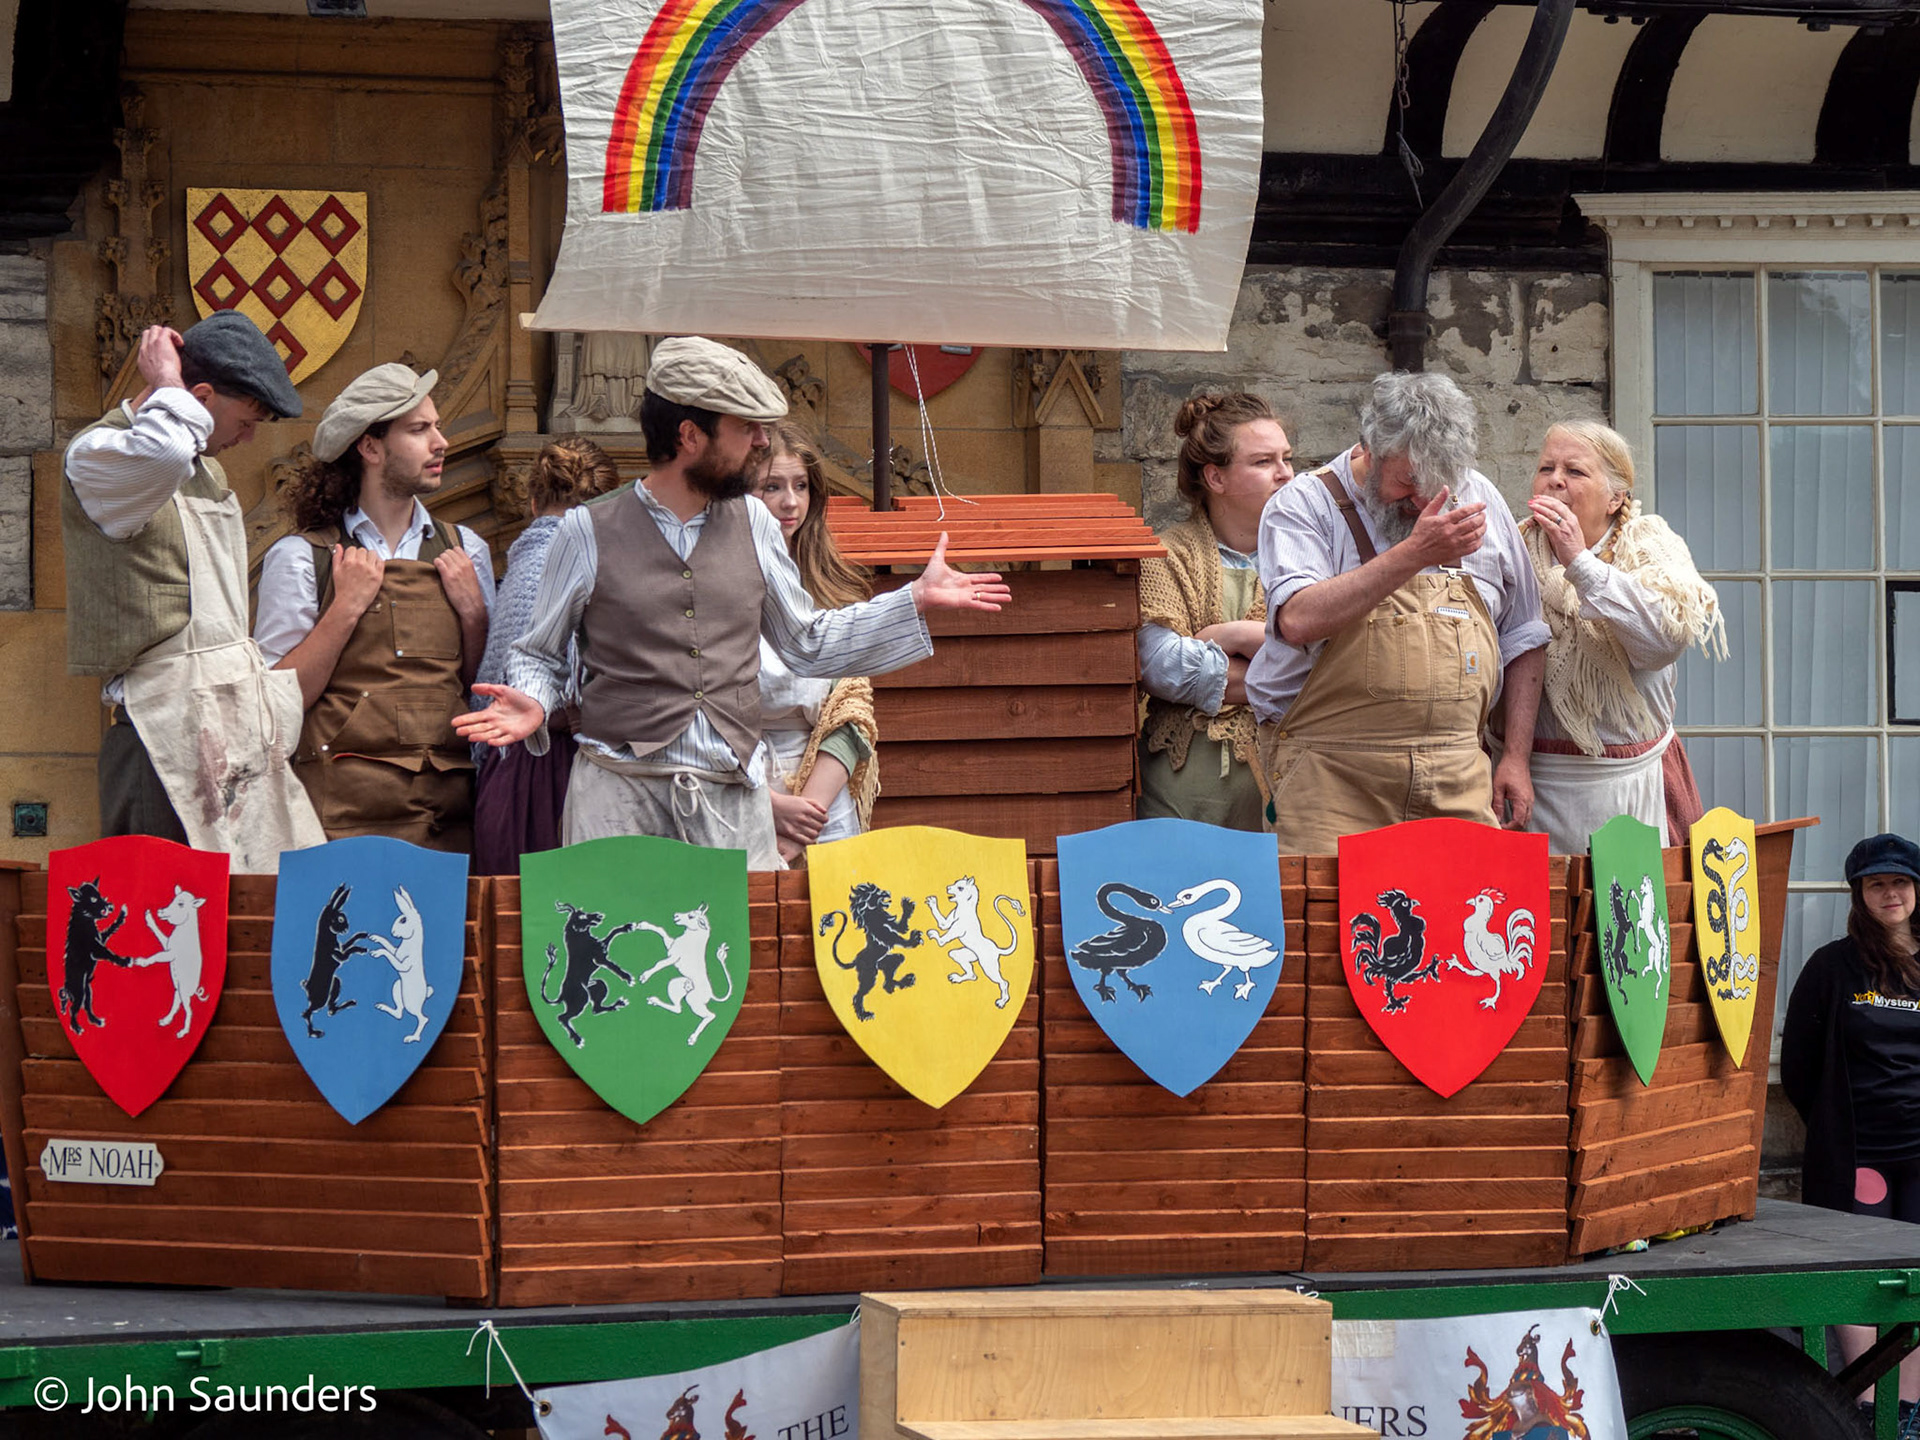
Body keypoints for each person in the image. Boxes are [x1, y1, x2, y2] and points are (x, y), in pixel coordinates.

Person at [453, 336, 1010, 870]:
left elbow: (808, 643)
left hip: (731, 808)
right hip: (618, 804)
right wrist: (533, 698)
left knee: (731, 966)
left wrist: (912, 599)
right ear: (691, 437)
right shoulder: (585, 531)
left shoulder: (756, 527)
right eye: (747, 428)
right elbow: (540, 653)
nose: (762, 442)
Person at [62, 314, 323, 873]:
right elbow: (162, 455)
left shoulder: (208, 474)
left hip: (230, 727)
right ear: (199, 395)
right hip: (161, 735)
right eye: (246, 420)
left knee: (248, 908)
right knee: (164, 921)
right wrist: (167, 381)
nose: (249, 437)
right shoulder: (101, 454)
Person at [1248, 370, 1549, 854]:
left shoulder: (1479, 497)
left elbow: (1524, 635)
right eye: (1409, 480)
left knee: (1464, 916)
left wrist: (1515, 755)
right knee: (1330, 922)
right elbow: (1298, 619)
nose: (1424, 499)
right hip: (1332, 776)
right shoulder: (1304, 504)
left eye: (1439, 482)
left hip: (1457, 772)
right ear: (1369, 449)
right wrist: (1414, 553)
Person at [255, 363, 495, 854]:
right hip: (339, 818)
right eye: (419, 429)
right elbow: (277, 703)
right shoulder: (303, 557)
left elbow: (480, 692)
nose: (441, 442)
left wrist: (474, 617)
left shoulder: (467, 549)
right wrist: (347, 607)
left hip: (445, 816)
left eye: (437, 426)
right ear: (370, 448)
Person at [1514, 421, 1723, 852]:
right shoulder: (1513, 547)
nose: (1555, 479)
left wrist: (1579, 562)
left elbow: (1661, 643)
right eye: (1546, 468)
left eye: (1575, 471)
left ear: (1616, 498)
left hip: (1631, 784)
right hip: (1529, 782)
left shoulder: (1649, 544)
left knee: (1632, 914)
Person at [1782, 833, 1920, 1417]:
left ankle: (1909, 1410)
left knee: (1915, 1280)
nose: (1890, 893)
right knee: (1858, 1279)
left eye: (1900, 882)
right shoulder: (1832, 966)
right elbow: (1798, 1068)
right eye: (1876, 884)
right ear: (1859, 893)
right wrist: (1837, 1130)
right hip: (1859, 1156)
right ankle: (1866, 1408)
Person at [1135, 392, 1293, 830]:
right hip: (1185, 784)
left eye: (1287, 458)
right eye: (1264, 462)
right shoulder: (1164, 556)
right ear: (1216, 478)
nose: (1285, 474)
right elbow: (1163, 667)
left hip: (1289, 783)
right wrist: (1286, 665)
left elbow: (1330, 663)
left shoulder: (1307, 558)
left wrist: (1230, 635)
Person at [471, 438, 623, 876]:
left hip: (513, 769)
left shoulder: (525, 561)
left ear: (534, 502)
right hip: (558, 768)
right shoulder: (590, 561)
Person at [755, 420, 881, 866]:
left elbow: (851, 713)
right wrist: (768, 807)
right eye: (772, 486)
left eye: (801, 485)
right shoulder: (713, 587)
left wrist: (806, 818)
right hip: (742, 791)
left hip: (822, 800)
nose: (790, 502)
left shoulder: (836, 589)